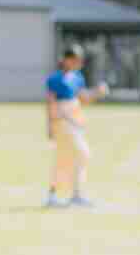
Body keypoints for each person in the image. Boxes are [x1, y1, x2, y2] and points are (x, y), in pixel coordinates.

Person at [44, 45, 108, 208]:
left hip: (74, 120)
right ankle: (75, 195)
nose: (78, 63)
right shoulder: (55, 79)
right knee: (82, 153)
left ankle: (58, 195)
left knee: (65, 158)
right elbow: (51, 102)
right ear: (66, 60)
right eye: (75, 60)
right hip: (62, 120)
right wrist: (50, 126)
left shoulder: (77, 77)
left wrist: (97, 92)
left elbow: (83, 98)